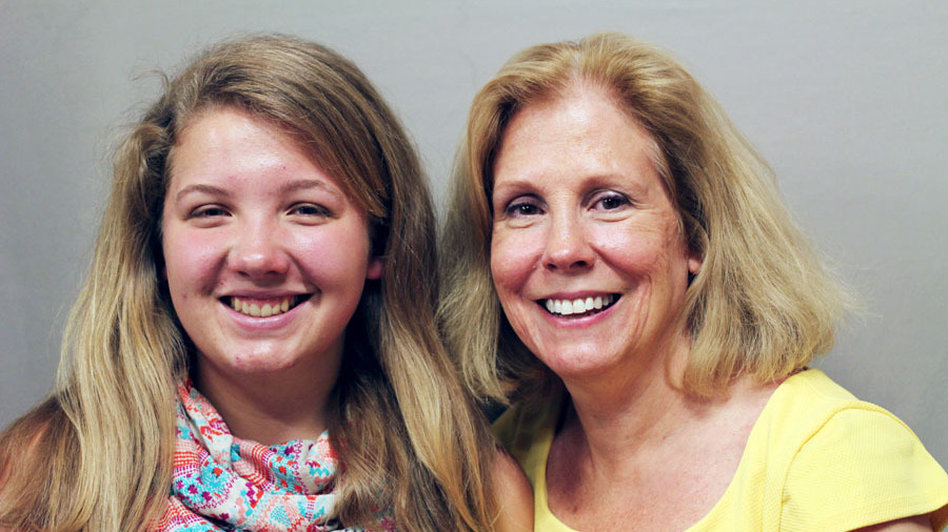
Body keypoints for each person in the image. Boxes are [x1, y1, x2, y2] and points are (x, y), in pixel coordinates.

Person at [0, 34, 531, 531]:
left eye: (306, 209)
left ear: (382, 242)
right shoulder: (36, 479)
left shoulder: (475, 491)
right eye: (210, 211)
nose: (257, 256)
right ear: (156, 245)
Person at [440, 32, 947, 531]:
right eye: (524, 208)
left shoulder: (831, 459)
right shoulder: (506, 460)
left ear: (696, 236)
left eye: (610, 201)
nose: (563, 250)